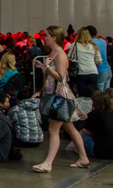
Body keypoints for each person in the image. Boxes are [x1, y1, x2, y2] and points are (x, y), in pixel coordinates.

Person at [33, 25, 90, 173]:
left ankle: (48, 162)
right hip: (57, 94)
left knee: (53, 129)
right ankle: (83, 157)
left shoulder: (60, 54)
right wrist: (43, 67)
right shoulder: (55, 52)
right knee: (69, 127)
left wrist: (47, 67)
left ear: (53, 37)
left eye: (46, 36)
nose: (44, 38)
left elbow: (61, 76)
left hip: (60, 96)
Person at [77, 90, 113, 160]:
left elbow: (86, 129)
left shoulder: (94, 114)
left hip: (103, 152)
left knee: (80, 136)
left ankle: (81, 154)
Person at [70, 28, 101, 97]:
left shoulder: (75, 45)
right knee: (94, 94)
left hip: (81, 72)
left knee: (82, 95)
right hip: (93, 72)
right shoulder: (93, 46)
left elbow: (70, 57)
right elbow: (99, 61)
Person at [87, 26, 112, 92]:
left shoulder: (90, 43)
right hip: (108, 69)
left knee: (99, 95)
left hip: (100, 70)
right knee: (107, 94)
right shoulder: (103, 41)